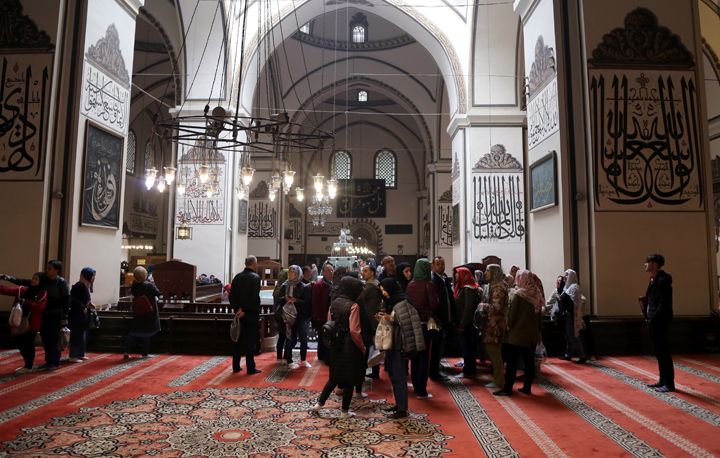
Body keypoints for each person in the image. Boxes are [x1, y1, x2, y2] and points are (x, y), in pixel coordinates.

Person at [311, 277, 366, 418]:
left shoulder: (334, 303)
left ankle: (319, 405)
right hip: (350, 346)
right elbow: (355, 331)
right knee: (349, 380)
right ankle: (344, 412)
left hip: (336, 344)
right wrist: (362, 347)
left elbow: (329, 323)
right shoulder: (354, 306)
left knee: (334, 377)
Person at [376, 278, 425, 419]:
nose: (384, 293)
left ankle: (402, 408)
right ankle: (399, 404)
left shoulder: (402, 302)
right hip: (392, 343)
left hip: (399, 345)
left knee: (399, 376)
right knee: (393, 374)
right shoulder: (392, 301)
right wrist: (383, 318)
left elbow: (406, 324)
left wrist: (389, 318)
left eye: (385, 290)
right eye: (382, 290)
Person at [494, 270, 543, 396]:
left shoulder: (519, 295)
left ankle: (508, 388)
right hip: (531, 335)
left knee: (512, 363)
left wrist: (508, 325)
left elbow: (512, 316)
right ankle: (527, 387)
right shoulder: (537, 294)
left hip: (517, 335)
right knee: (528, 362)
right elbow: (539, 317)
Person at [405, 258, 440, 399]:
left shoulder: (410, 285)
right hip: (425, 325)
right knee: (424, 357)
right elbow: (434, 305)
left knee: (415, 356)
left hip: (412, 324)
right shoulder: (429, 285)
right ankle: (422, 390)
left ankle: (415, 385)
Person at [639, 254, 674, 392]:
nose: (645, 264)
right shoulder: (653, 279)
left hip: (660, 321)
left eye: (647, 262)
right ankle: (662, 380)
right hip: (654, 320)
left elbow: (663, 304)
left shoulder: (663, 280)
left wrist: (653, 317)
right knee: (659, 352)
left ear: (654, 264)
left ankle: (669, 384)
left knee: (664, 352)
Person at [0, 272, 47, 373]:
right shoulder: (23, 290)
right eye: (33, 278)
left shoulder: (42, 293)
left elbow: (40, 307)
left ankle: (28, 365)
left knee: (28, 343)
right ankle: (27, 364)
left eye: (36, 279)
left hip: (32, 323)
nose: (33, 281)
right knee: (20, 342)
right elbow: (8, 290)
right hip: (19, 321)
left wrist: (27, 303)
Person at [229, 256, 262, 375]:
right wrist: (246, 311)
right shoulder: (255, 277)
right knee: (250, 342)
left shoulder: (237, 277)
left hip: (238, 314)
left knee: (237, 340)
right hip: (250, 315)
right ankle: (250, 368)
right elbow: (253, 298)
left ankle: (236, 366)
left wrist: (238, 310)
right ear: (254, 264)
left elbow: (231, 296)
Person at [480, 264, 508, 388]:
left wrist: (483, 306)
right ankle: (498, 378)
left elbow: (497, 307)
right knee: (494, 351)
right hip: (493, 323)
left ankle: (499, 380)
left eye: (487, 271)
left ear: (494, 272)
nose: (485, 273)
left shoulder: (498, 288)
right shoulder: (495, 286)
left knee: (494, 351)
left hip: (495, 324)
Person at [126, 267, 161, 359]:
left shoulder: (134, 285)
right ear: (145, 275)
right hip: (149, 312)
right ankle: (144, 353)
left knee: (135, 331)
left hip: (138, 311)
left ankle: (127, 351)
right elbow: (158, 293)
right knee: (147, 333)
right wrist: (152, 282)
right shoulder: (149, 285)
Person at [277, 265, 307, 369]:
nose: (291, 274)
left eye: (293, 272)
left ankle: (303, 359)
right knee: (289, 337)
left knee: (303, 338)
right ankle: (289, 360)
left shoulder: (303, 286)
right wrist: (285, 299)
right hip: (287, 315)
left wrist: (296, 300)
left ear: (298, 274)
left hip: (299, 316)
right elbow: (278, 300)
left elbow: (307, 302)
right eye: (289, 272)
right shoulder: (284, 285)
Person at [430, 256, 454, 381]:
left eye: (442, 264)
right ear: (433, 266)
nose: (441, 266)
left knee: (440, 347)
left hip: (446, 318)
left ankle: (436, 369)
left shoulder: (444, 279)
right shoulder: (434, 280)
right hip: (439, 319)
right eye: (438, 264)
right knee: (435, 347)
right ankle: (434, 372)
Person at [454, 267, 480, 376]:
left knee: (467, 347)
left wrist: (462, 324)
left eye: (457, 274)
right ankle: (469, 368)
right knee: (466, 347)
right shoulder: (462, 287)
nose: (455, 276)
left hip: (466, 324)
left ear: (464, 275)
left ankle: (469, 370)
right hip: (463, 323)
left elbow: (468, 308)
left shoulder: (468, 289)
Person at [359, 265, 382, 382]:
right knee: (374, 344)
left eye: (365, 271)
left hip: (370, 320)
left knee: (368, 345)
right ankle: (375, 371)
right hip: (373, 318)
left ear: (372, 273)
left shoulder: (370, 286)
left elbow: (359, 298)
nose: (363, 273)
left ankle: (364, 372)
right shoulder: (375, 283)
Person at [558, 269, 586, 364]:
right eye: (565, 275)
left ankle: (582, 355)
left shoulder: (574, 287)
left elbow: (572, 301)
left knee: (574, 335)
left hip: (573, 315)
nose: (565, 277)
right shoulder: (567, 287)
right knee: (569, 336)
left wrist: (566, 310)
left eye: (567, 275)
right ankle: (568, 354)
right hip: (568, 315)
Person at [68, 267, 96, 362]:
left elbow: (84, 299)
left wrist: (89, 304)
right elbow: (73, 299)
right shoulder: (79, 286)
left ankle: (80, 353)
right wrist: (82, 307)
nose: (94, 278)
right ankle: (73, 355)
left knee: (82, 335)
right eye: (93, 276)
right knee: (77, 335)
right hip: (77, 315)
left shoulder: (86, 286)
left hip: (83, 315)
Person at [312, 262, 334, 363]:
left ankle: (326, 355)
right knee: (322, 337)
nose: (331, 272)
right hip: (321, 315)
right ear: (324, 273)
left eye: (332, 270)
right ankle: (322, 356)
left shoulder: (332, 283)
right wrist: (318, 316)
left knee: (328, 336)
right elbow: (316, 302)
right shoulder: (319, 285)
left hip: (329, 314)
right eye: (329, 270)